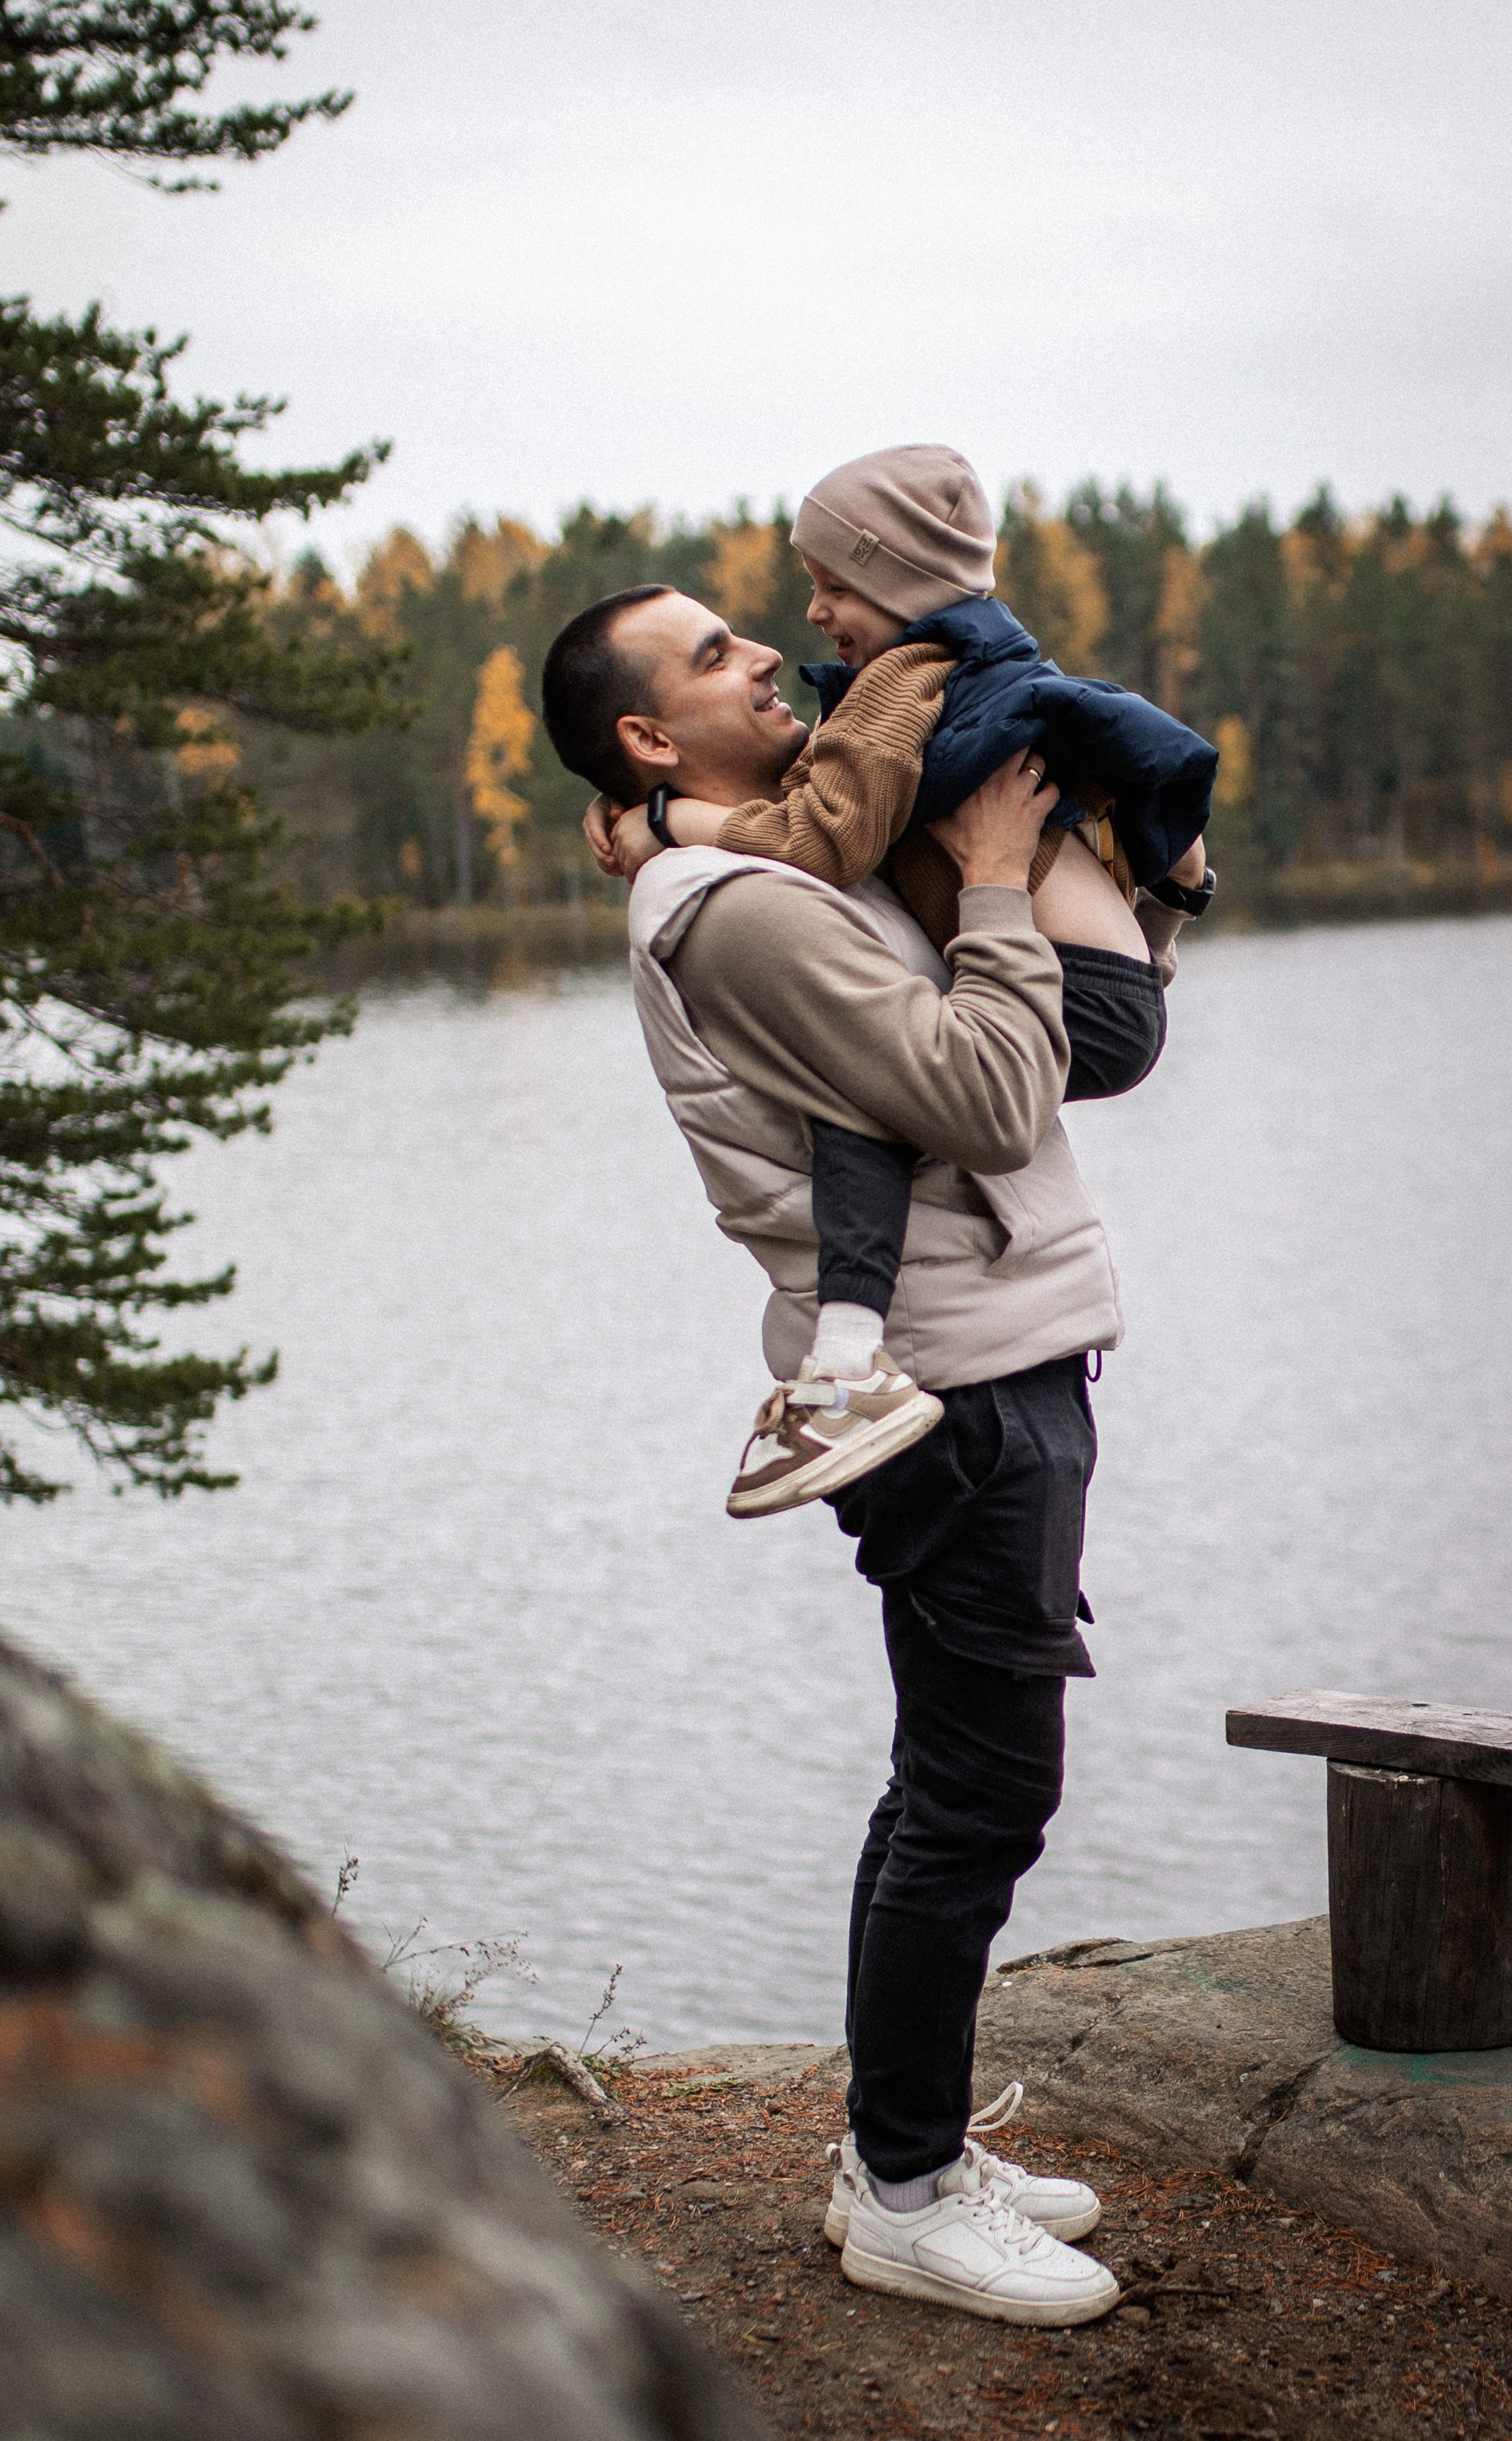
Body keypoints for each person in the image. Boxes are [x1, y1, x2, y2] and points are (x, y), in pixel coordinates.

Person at [540, 578, 1165, 2325]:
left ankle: (906, 2142)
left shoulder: (765, 857)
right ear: (649, 736)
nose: (767, 654)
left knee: (944, 1777)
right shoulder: (735, 911)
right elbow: (986, 1097)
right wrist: (980, 879)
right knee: (981, 1792)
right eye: (721, 655)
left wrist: (1051, 880)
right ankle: (900, 2186)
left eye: (752, 628)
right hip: (948, 1386)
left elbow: (1049, 1048)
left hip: (982, 1348)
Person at [563, 445, 1215, 1521]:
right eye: (720, 651)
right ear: (649, 734)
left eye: (830, 587)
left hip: (1083, 1028)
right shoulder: (928, 698)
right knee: (866, 1090)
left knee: (869, 1093)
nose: (798, 624)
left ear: (897, 584)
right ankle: (845, 1363)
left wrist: (669, 814)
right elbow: (834, 810)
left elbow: (819, 829)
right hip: (980, 1371)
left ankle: (842, 1362)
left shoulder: (906, 684)